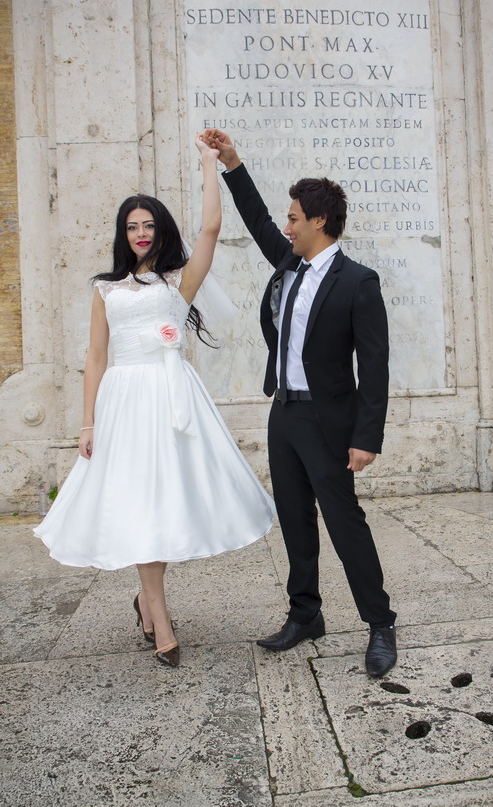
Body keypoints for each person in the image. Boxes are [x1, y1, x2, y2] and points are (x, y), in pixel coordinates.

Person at [34, 134, 275, 667]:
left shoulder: (176, 282)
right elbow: (96, 359)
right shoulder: (106, 289)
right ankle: (159, 619)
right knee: (141, 504)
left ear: (160, 230)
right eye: (132, 227)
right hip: (124, 404)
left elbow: (211, 228)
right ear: (124, 235)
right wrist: (88, 423)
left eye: (148, 225)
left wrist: (210, 165)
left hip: (171, 401)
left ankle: (147, 601)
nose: (141, 234)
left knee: (164, 505)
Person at [202, 129, 397, 678]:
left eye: (294, 218)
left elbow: (375, 367)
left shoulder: (359, 282)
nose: (286, 226)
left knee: (344, 522)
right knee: (294, 519)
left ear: (319, 222)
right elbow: (256, 218)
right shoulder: (288, 265)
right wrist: (232, 164)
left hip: (329, 420)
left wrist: (366, 437)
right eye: (287, 218)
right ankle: (305, 615)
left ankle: (380, 622)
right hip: (284, 413)